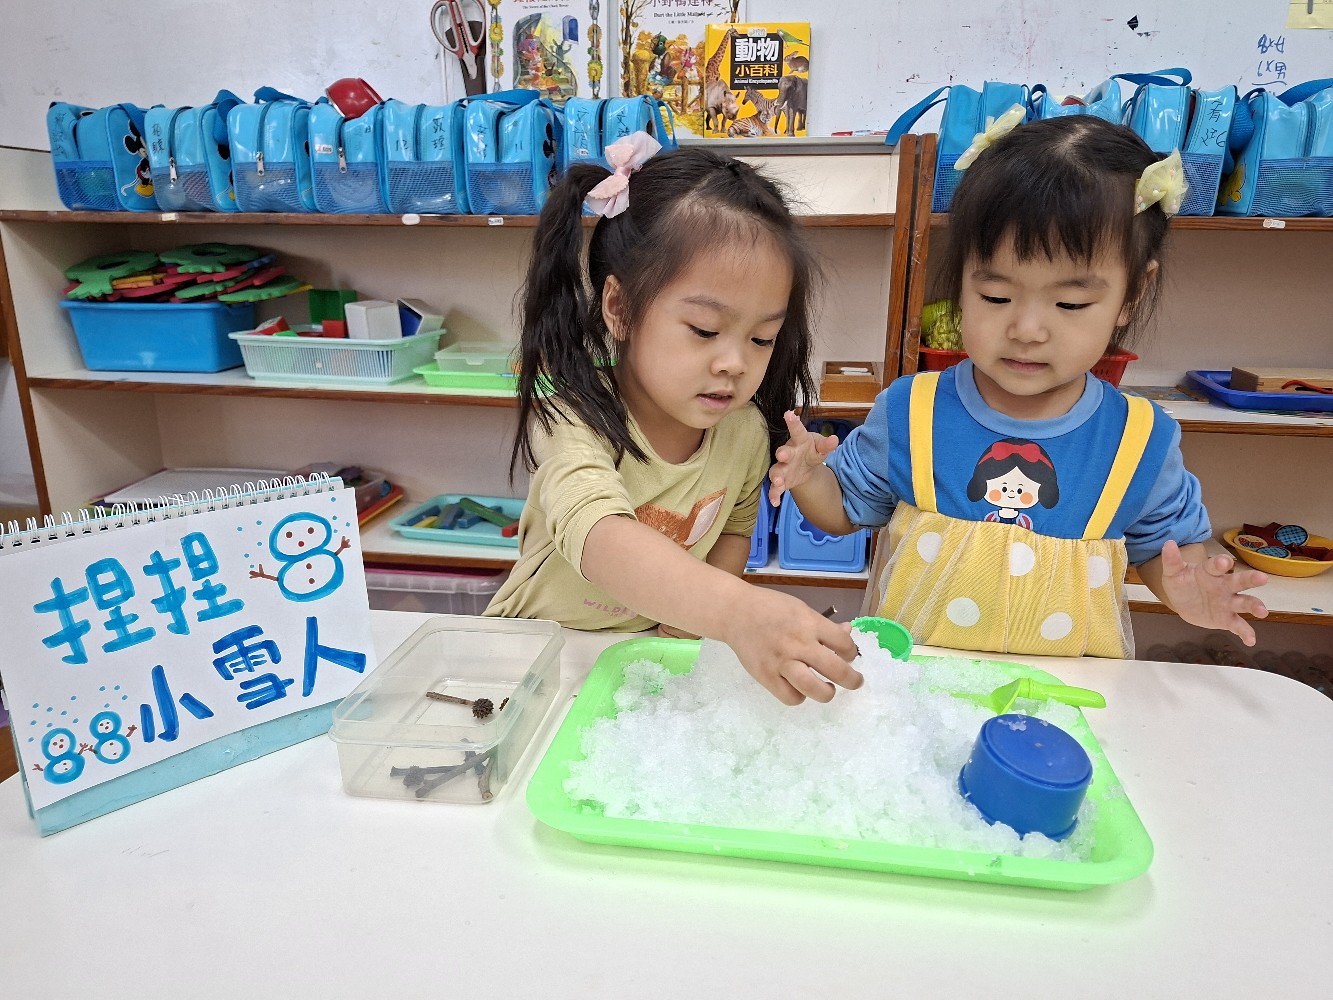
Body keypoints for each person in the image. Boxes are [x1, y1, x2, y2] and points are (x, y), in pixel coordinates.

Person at [769, 114, 1268, 659]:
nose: (1027, 330)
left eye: (1070, 303)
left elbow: (1166, 552)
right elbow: (844, 512)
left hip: (1068, 694)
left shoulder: (1138, 440)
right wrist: (809, 479)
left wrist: (1191, 590)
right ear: (961, 279)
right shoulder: (913, 410)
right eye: (996, 297)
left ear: (1132, 294)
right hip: (918, 691)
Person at [484, 133, 861, 704]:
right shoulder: (573, 418)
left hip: (647, 661)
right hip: (538, 657)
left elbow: (733, 529)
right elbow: (600, 535)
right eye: (705, 331)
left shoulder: (743, 433)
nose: (735, 363)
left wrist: (693, 624)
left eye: (761, 338)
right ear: (620, 307)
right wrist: (737, 612)